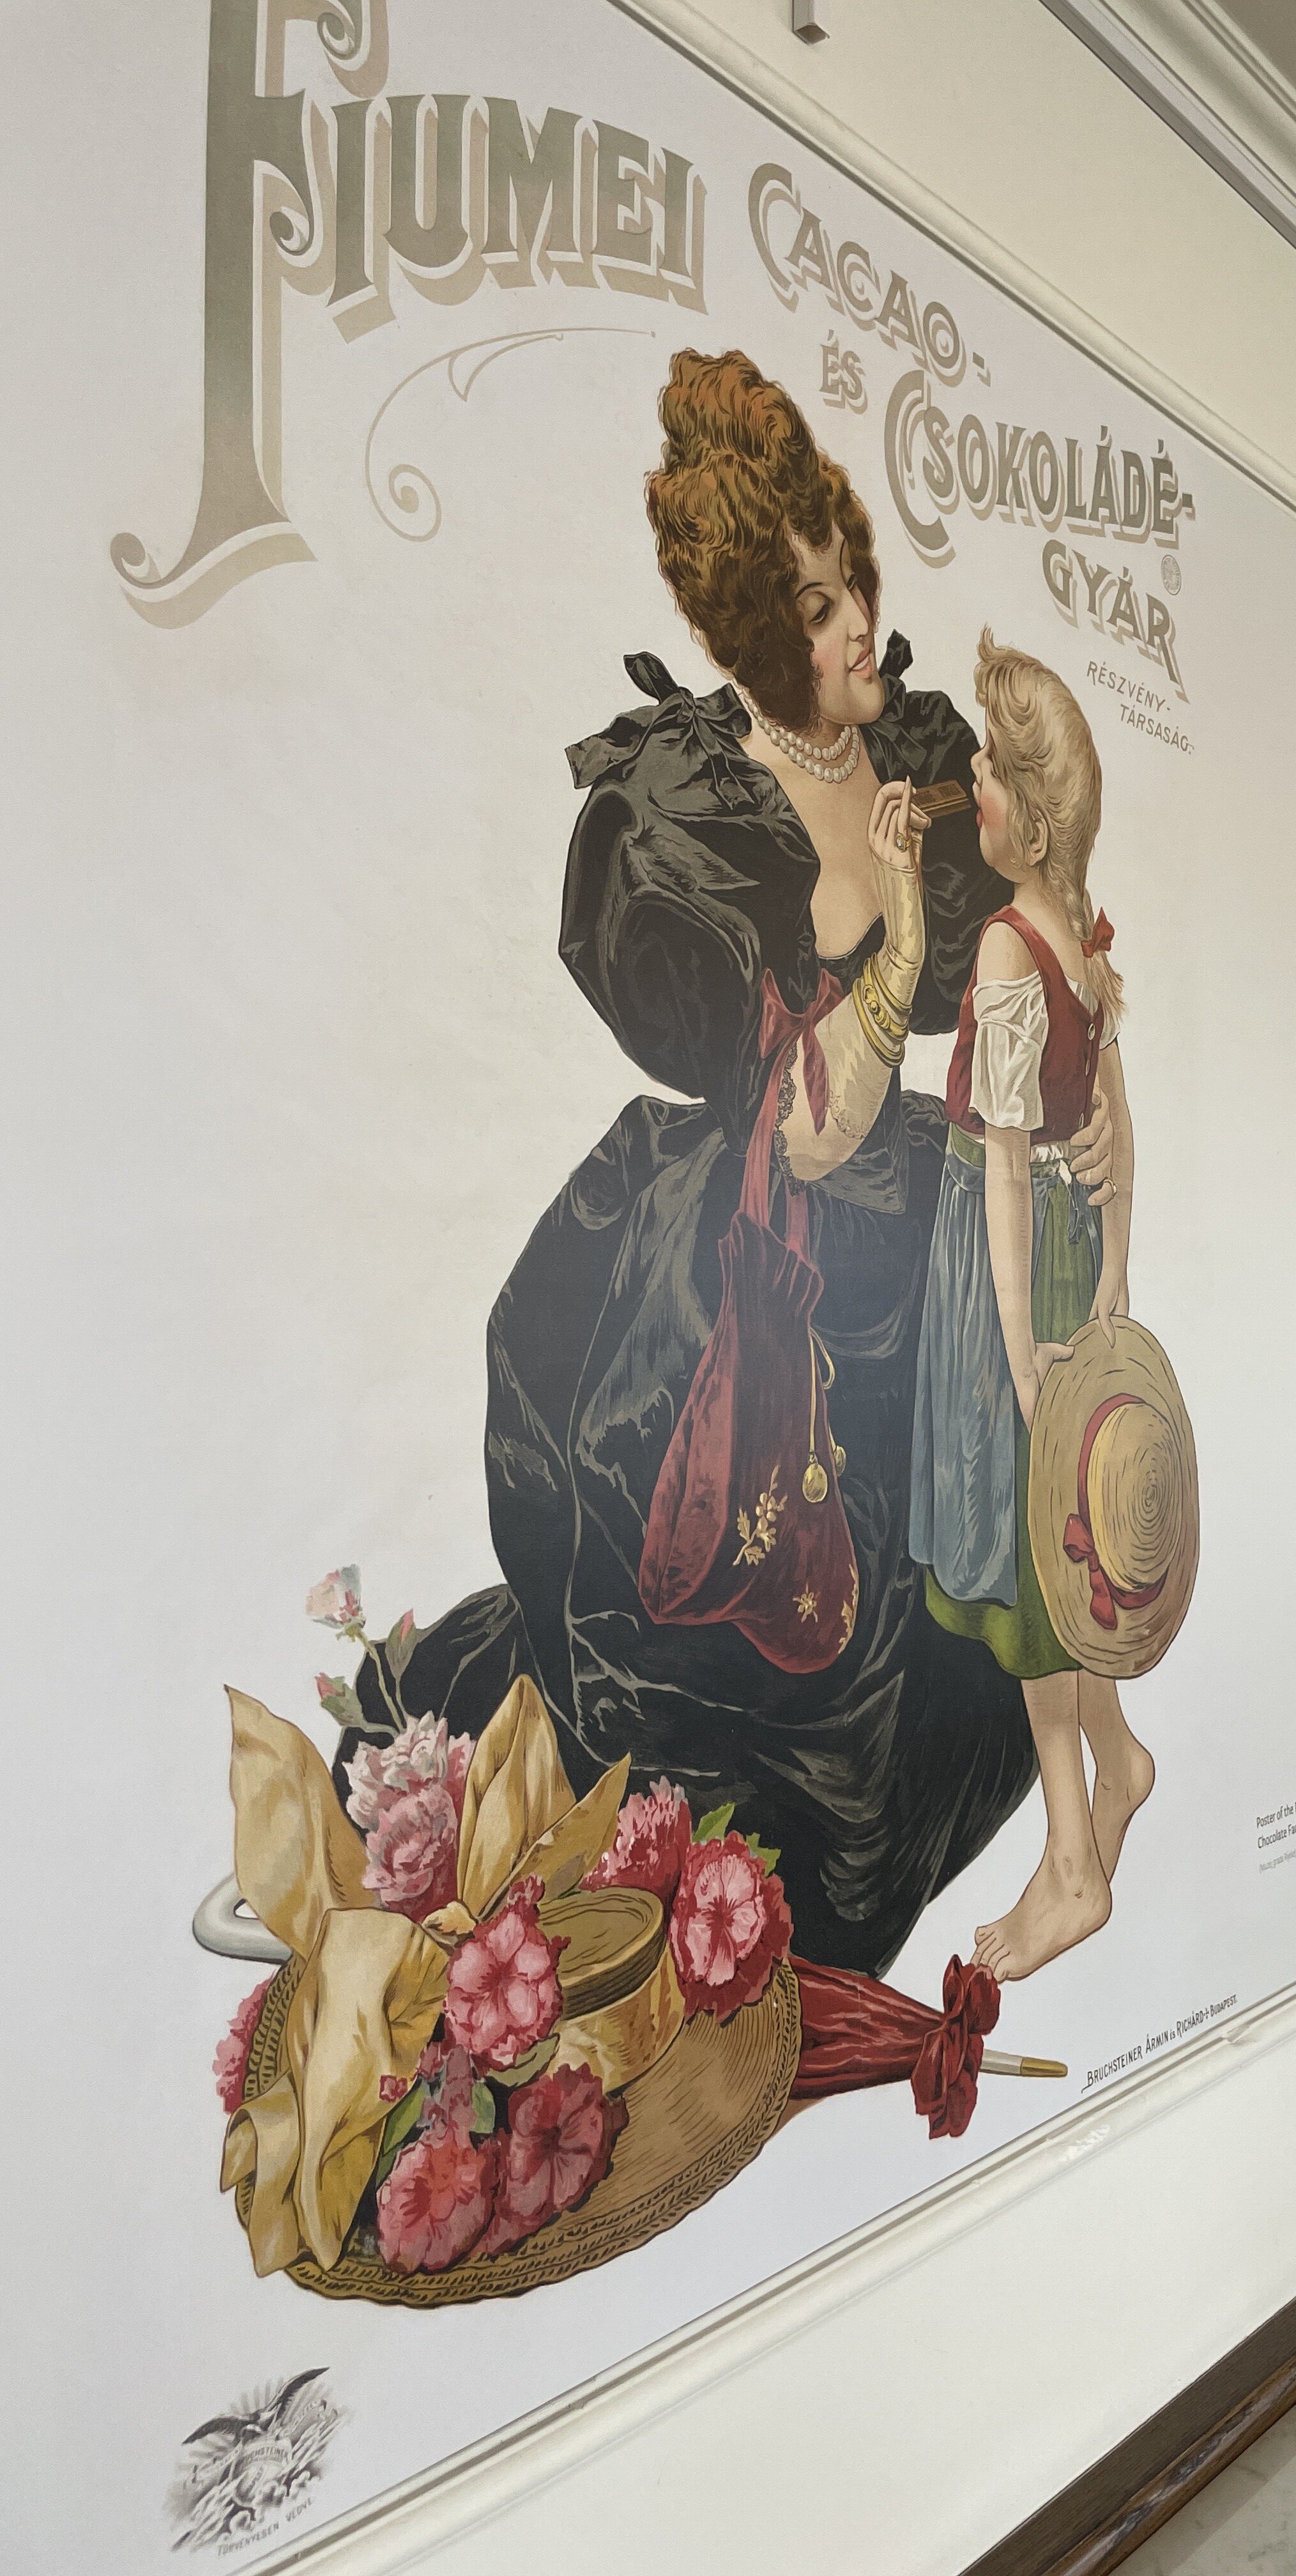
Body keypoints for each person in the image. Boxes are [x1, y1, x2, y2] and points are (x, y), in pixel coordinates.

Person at [327, 353, 1117, 1979]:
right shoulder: (689, 810)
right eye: (820, 610)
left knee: (976, 1536)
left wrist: (1093, 1102)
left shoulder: (917, 751)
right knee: (743, 1604)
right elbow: (808, 1119)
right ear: (758, 634)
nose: (860, 628)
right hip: (751, 1237)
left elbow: (1040, 959)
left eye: (856, 586)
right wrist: (903, 945)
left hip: (919, 1214)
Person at [909, 634, 1154, 1982]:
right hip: (1068, 1266)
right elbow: (1118, 1137)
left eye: (991, 772)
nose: (974, 786)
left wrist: (1019, 1364)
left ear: (1033, 816)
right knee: (1075, 1552)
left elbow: (1006, 1172)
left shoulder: (1015, 951)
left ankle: (1070, 1864)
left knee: (1036, 1582)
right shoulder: (1082, 943)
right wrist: (1111, 1274)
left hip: (1008, 1277)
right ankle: (1121, 1765)